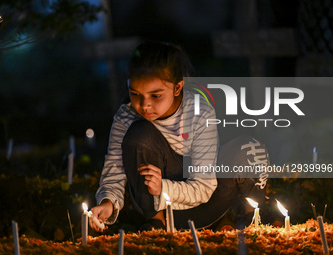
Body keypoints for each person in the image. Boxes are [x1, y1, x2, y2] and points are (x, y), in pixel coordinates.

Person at [89, 41, 270, 232]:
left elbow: (204, 186)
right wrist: (108, 202)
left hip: (208, 202)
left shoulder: (199, 112)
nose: (144, 105)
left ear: (177, 88)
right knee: (139, 134)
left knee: (249, 148)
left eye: (155, 96)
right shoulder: (126, 117)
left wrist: (164, 187)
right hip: (163, 209)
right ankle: (157, 223)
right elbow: (115, 169)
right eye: (135, 94)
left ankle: (253, 218)